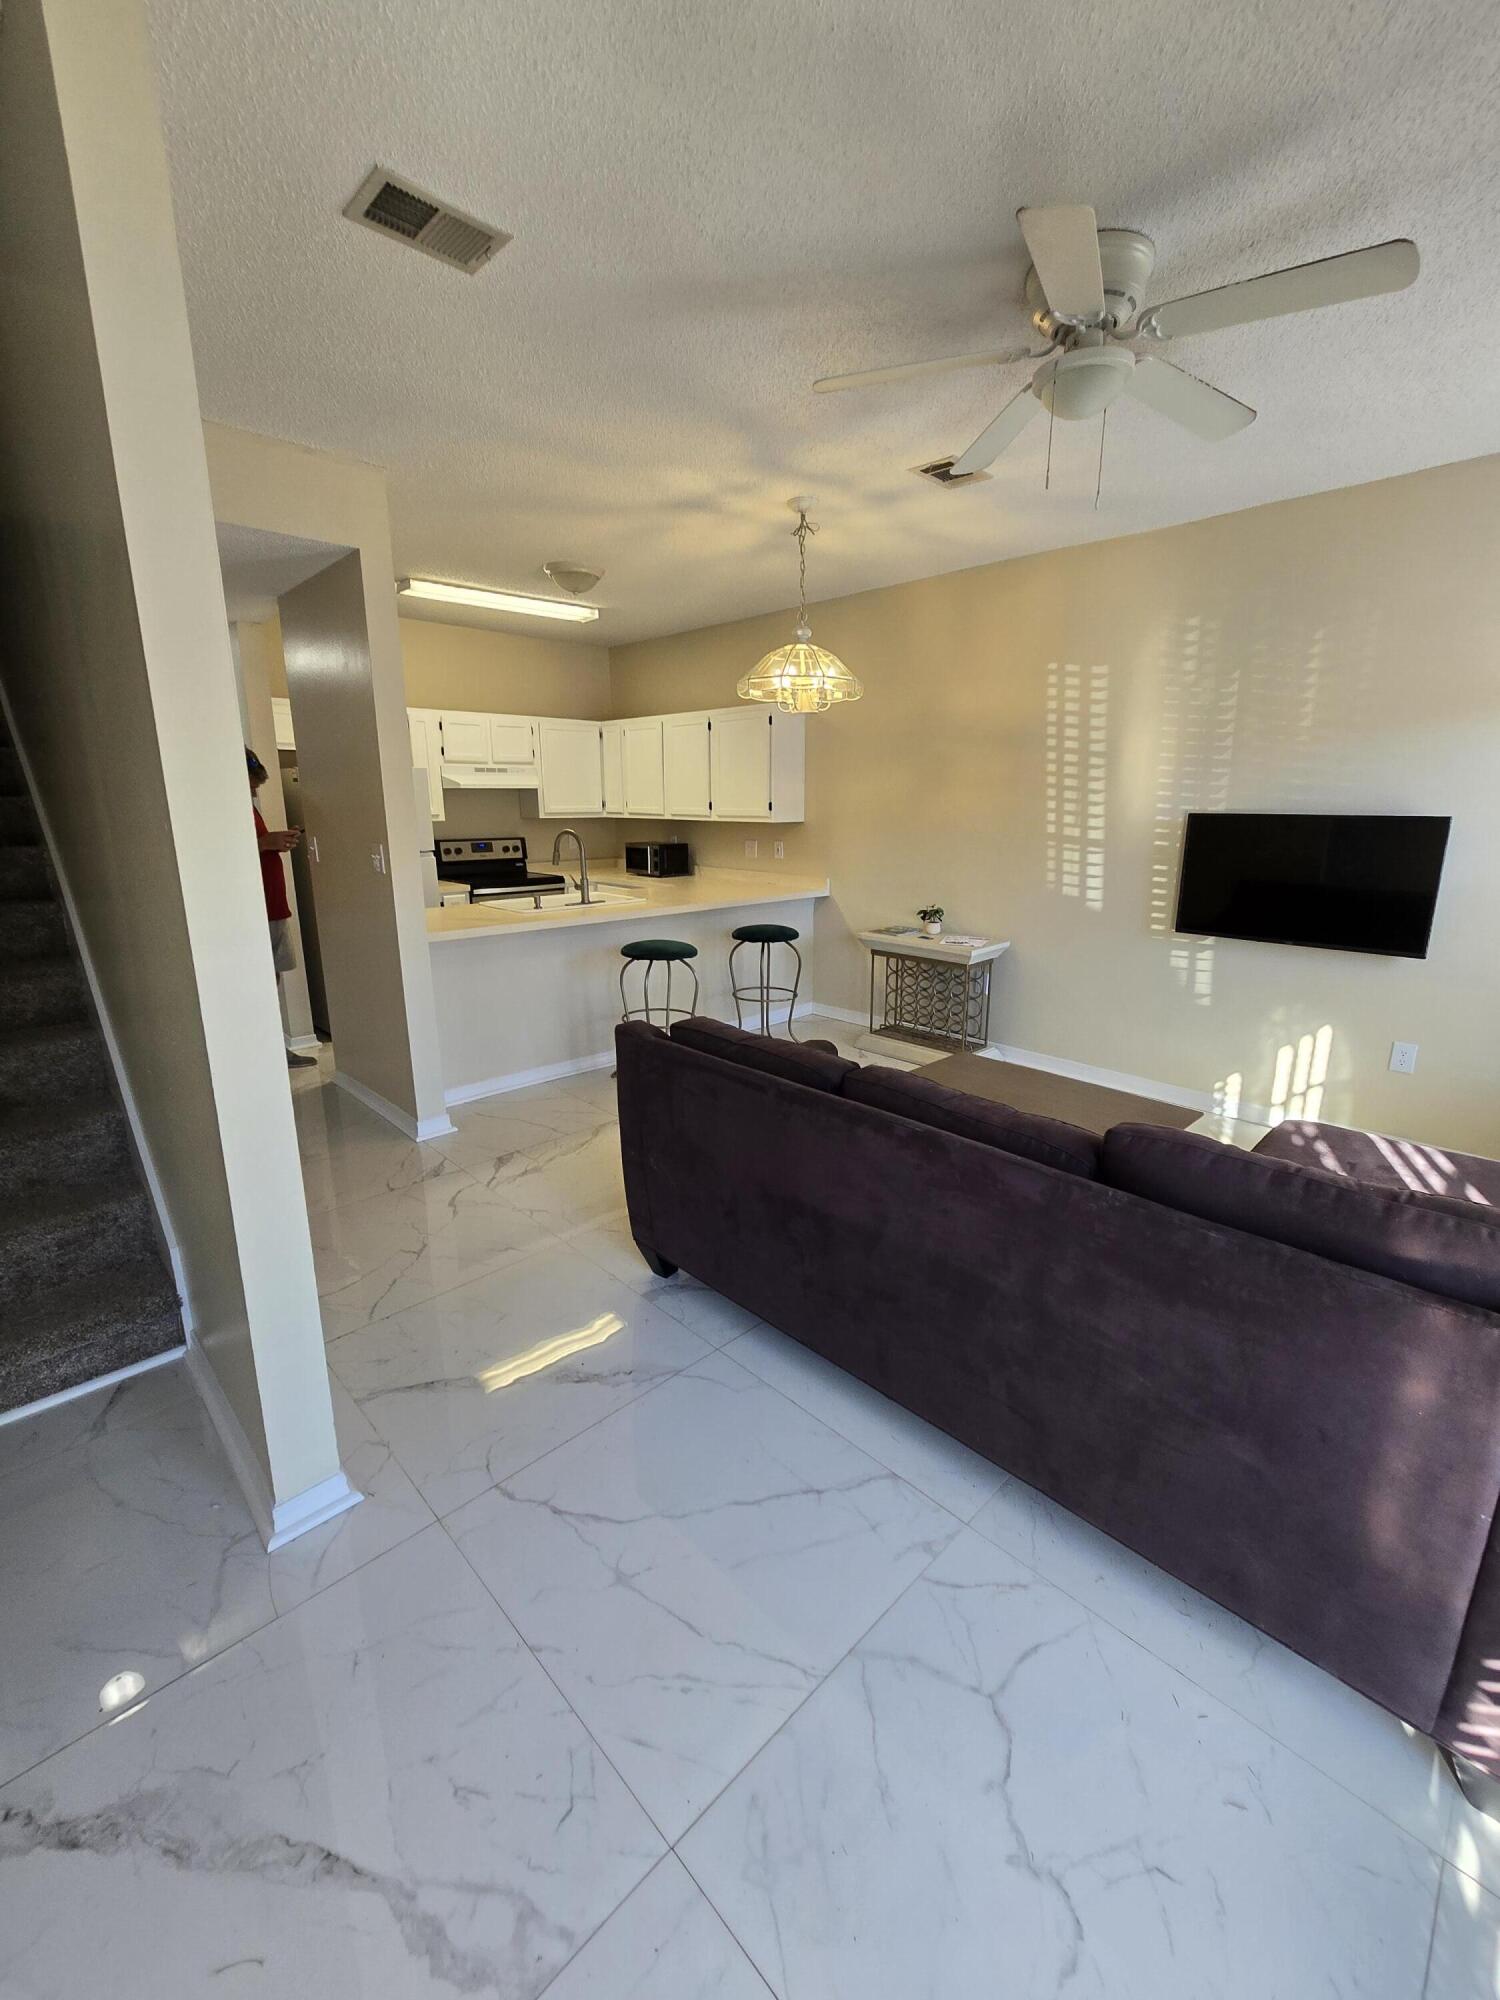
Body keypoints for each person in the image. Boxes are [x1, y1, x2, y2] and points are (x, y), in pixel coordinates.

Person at [247, 747, 315, 1069]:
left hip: (273, 906)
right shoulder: (225, 810)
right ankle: (267, 1053)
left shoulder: (249, 810)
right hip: (258, 909)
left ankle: (274, 1050)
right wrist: (264, 843)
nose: (255, 791)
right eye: (252, 785)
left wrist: (273, 843)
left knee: (270, 979)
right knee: (260, 982)